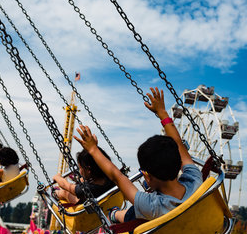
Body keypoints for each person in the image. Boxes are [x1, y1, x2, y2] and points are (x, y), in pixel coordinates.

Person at [74, 87, 201, 223]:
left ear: (147, 176)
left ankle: (115, 215)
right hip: (198, 230)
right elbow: (179, 145)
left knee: (133, 213)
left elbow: (117, 177)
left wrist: (93, 150)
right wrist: (162, 113)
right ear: (179, 163)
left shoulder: (151, 206)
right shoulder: (195, 180)